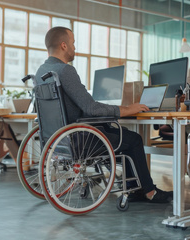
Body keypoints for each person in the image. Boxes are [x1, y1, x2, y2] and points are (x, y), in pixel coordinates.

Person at [35, 26, 173, 203]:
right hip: (82, 138)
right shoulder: (65, 70)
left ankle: (134, 190)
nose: (74, 48)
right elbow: (91, 108)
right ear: (63, 45)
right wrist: (127, 109)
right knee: (134, 139)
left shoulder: (41, 72)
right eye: (73, 43)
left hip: (60, 138)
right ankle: (149, 192)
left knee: (122, 136)